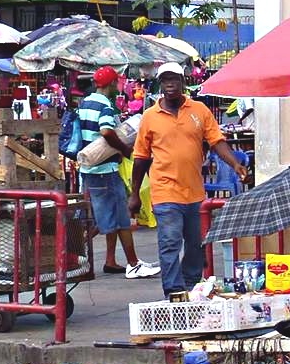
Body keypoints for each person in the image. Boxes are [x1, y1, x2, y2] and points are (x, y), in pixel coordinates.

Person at [128, 62, 248, 298]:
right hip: (165, 192)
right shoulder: (150, 117)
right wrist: (134, 194)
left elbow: (216, 141)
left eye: (174, 79)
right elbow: (141, 157)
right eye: (165, 80)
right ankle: (173, 291)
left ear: (183, 82)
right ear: (160, 84)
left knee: (195, 245)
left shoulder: (199, 110)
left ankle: (191, 286)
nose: (170, 84)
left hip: (194, 193)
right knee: (170, 243)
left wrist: (234, 163)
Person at [78, 67, 160, 279]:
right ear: (110, 84)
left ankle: (110, 260)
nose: (118, 86)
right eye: (116, 83)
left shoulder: (86, 102)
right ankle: (132, 263)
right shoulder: (106, 106)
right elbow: (106, 131)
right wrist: (124, 149)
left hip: (89, 168)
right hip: (104, 169)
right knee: (119, 216)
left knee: (106, 215)